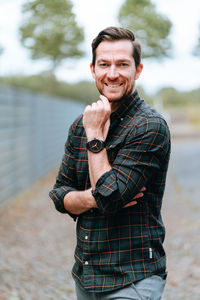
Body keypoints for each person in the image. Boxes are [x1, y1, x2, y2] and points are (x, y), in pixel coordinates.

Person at [49, 26, 171, 300]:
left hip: (133, 278)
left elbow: (112, 197)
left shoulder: (150, 126)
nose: (112, 73)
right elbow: (59, 195)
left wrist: (95, 137)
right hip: (87, 275)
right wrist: (94, 197)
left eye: (122, 64)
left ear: (137, 70)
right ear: (93, 69)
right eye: (104, 64)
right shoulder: (80, 125)